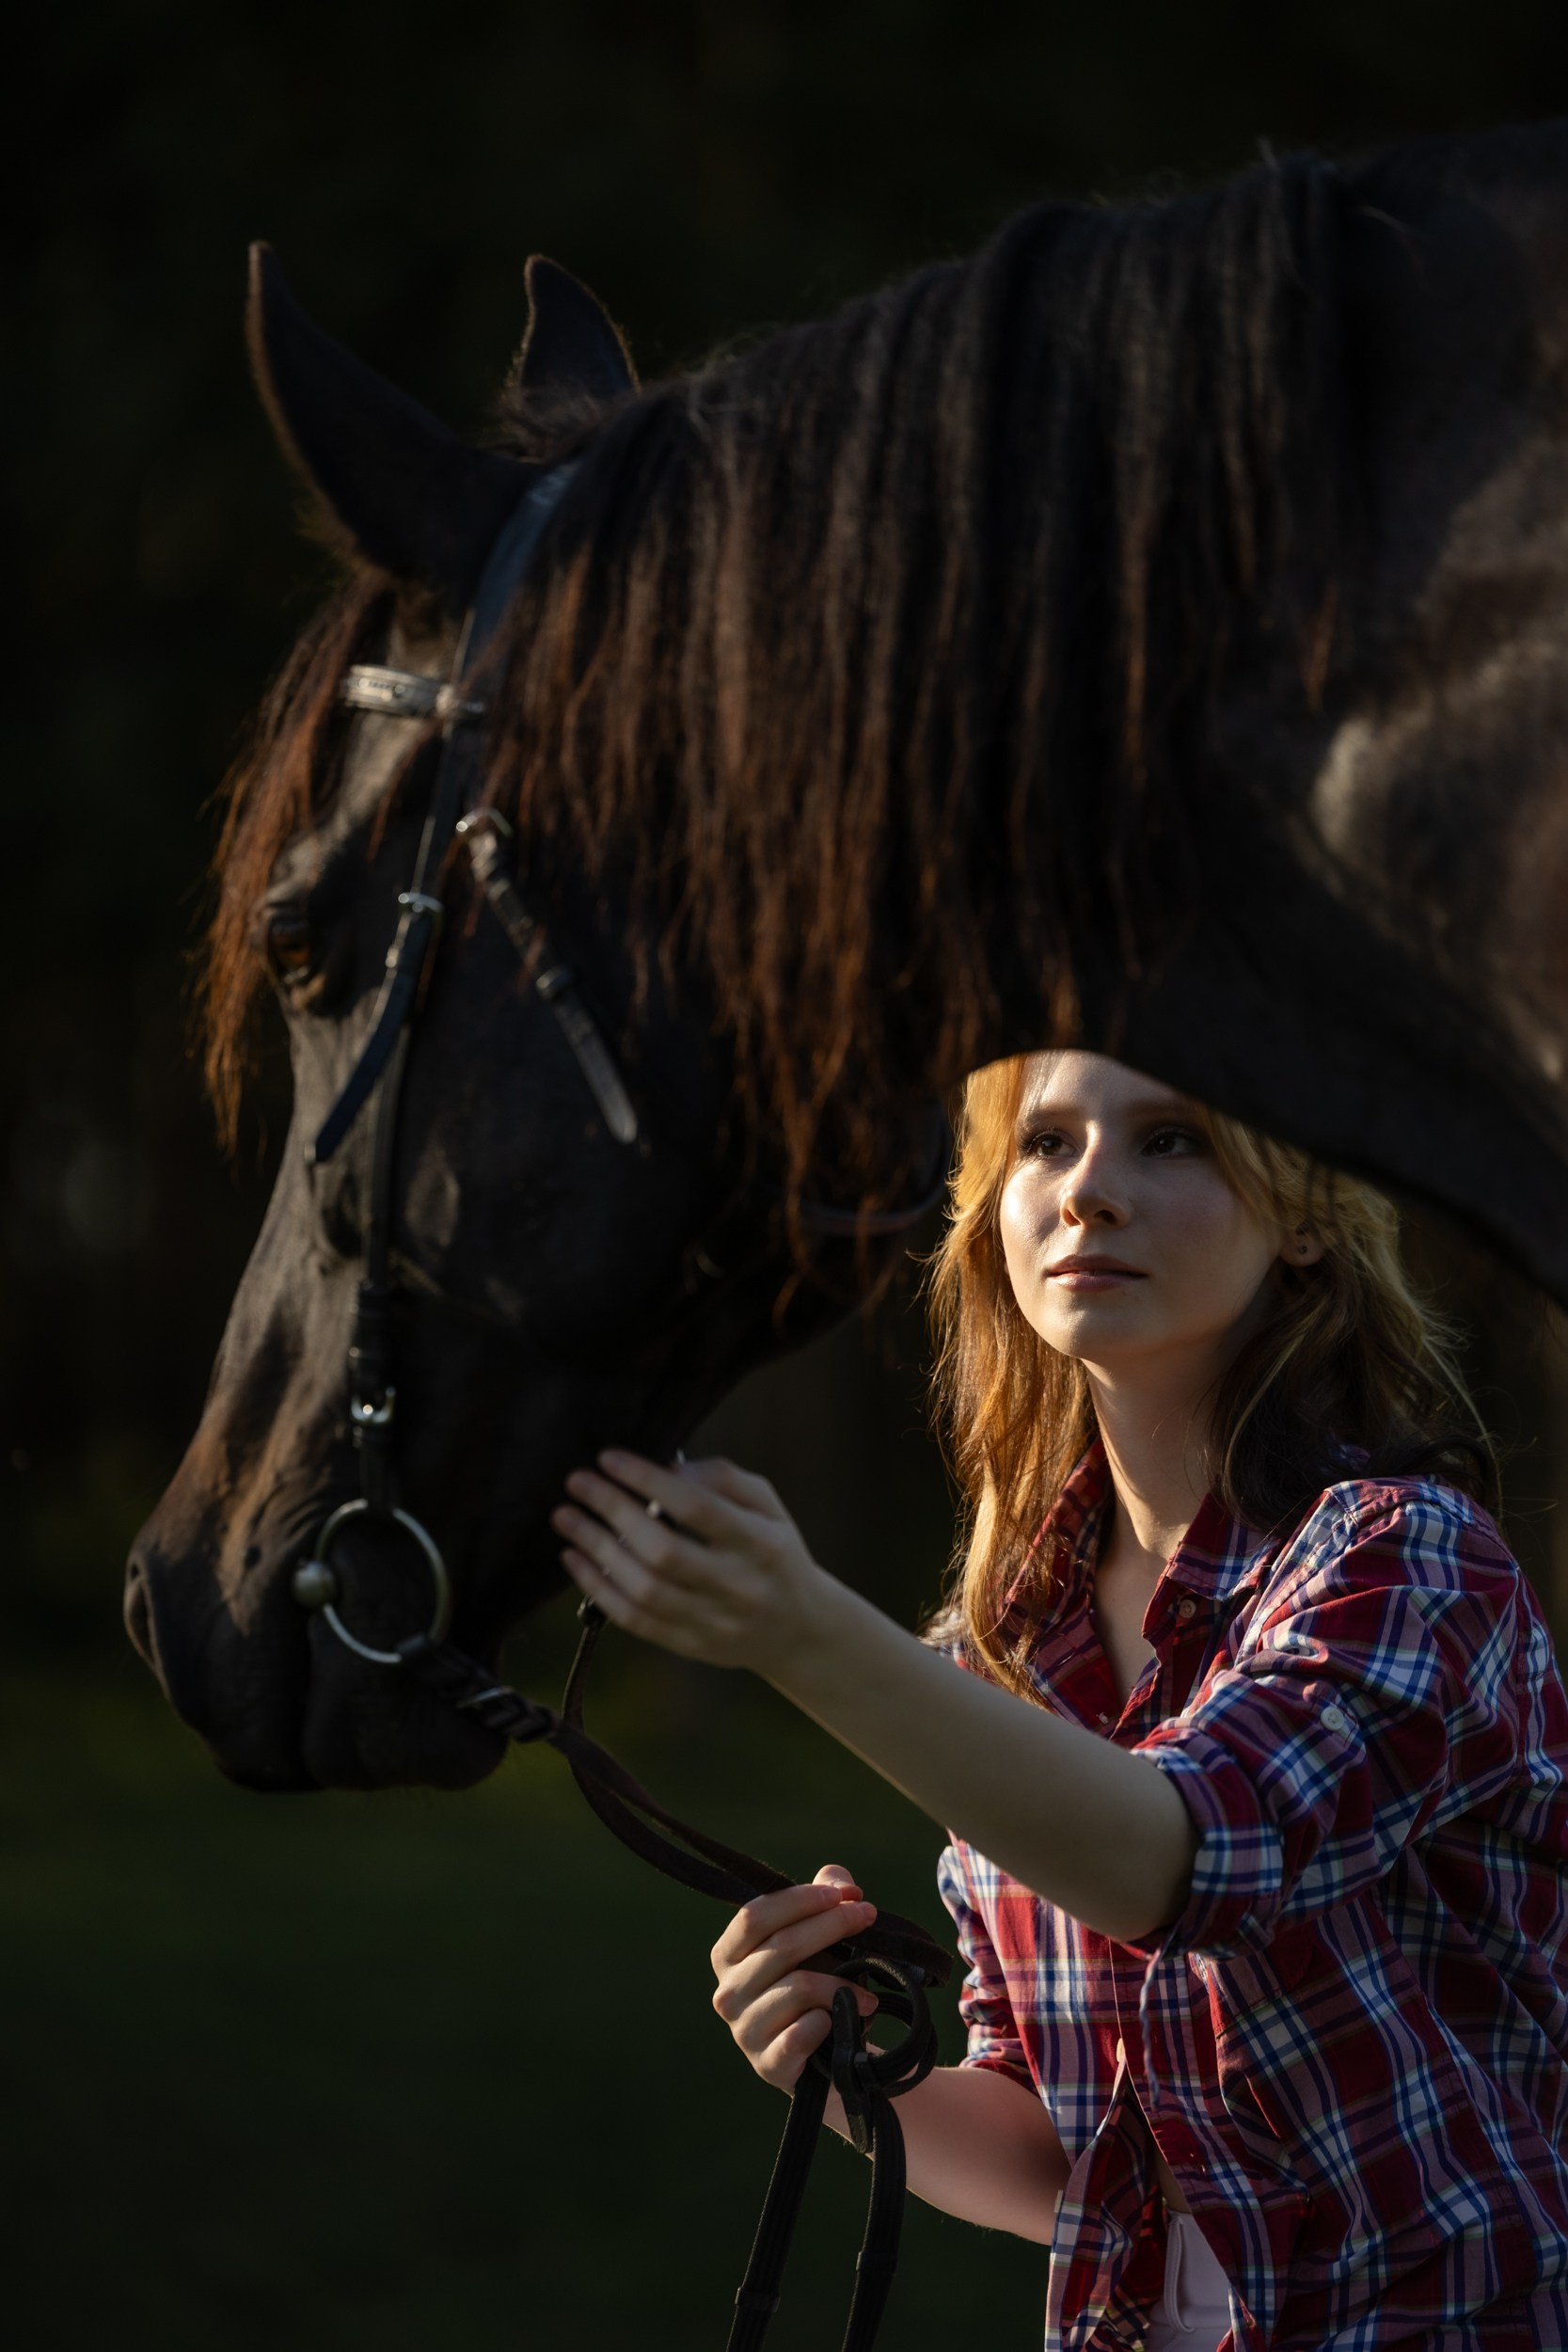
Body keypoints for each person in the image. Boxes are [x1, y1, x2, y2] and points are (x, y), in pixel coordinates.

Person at [551, 1050, 1568, 2350]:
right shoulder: (999, 1653)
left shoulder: (1408, 1560)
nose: (1090, 1191)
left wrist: (797, 1631)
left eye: (1172, 1140)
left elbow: (1180, 1853)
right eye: (1046, 1143)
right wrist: (854, 2072)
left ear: (1306, 1212)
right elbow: (1065, 2149)